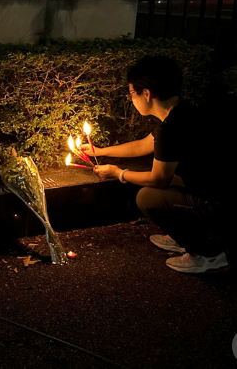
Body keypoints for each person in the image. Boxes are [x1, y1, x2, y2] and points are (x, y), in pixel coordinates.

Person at [82, 55, 231, 274]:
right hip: (216, 187)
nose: (130, 98)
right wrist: (100, 152)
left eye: (131, 93)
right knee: (150, 175)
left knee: (147, 197)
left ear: (147, 94)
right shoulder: (184, 111)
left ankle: (209, 254)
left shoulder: (170, 129)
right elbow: (142, 146)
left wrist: (118, 173)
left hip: (220, 202)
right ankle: (183, 235)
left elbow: (159, 179)